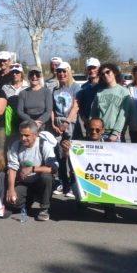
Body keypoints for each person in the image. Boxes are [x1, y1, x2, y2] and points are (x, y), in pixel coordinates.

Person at [5, 120, 58, 221]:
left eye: (26, 135)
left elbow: (54, 168)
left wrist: (33, 169)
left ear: (35, 135)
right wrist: (11, 189)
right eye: (21, 135)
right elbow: (12, 168)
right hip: (25, 182)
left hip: (40, 181)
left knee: (46, 176)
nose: (23, 138)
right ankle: (29, 200)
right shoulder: (16, 145)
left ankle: (44, 208)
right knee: (11, 202)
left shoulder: (44, 145)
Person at [50, 62, 80, 199]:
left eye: (64, 71)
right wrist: (53, 123)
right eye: (59, 72)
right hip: (57, 124)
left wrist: (66, 123)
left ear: (68, 72)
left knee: (71, 156)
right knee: (60, 156)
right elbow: (52, 109)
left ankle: (74, 186)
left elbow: (75, 107)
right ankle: (63, 182)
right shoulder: (55, 90)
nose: (61, 74)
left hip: (70, 124)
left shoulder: (75, 87)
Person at [91, 63, 131, 142]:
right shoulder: (99, 93)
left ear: (114, 73)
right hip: (99, 133)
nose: (105, 75)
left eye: (108, 72)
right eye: (102, 74)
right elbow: (93, 114)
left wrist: (115, 133)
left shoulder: (124, 92)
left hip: (115, 134)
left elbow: (123, 116)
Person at [75, 57, 101, 139]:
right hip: (89, 125)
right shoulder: (84, 87)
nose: (92, 70)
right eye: (89, 68)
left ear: (99, 68)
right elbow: (80, 106)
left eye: (94, 68)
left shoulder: (104, 86)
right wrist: (84, 119)